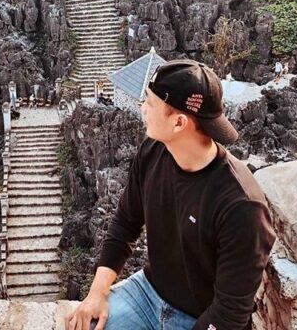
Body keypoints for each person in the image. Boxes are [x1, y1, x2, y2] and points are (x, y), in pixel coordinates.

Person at [66, 59, 275, 330]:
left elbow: (229, 314)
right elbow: (125, 224)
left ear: (178, 122)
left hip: (201, 317)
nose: (142, 107)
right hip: (148, 293)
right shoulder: (152, 151)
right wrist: (96, 293)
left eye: (149, 102)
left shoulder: (241, 206)